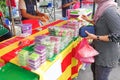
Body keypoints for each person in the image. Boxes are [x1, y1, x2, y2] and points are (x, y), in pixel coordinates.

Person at [81, 0, 120, 80]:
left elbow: (118, 36)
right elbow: (102, 24)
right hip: (98, 52)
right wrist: (88, 20)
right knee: (96, 75)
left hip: (106, 56)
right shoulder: (102, 7)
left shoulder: (109, 11)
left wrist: (96, 37)